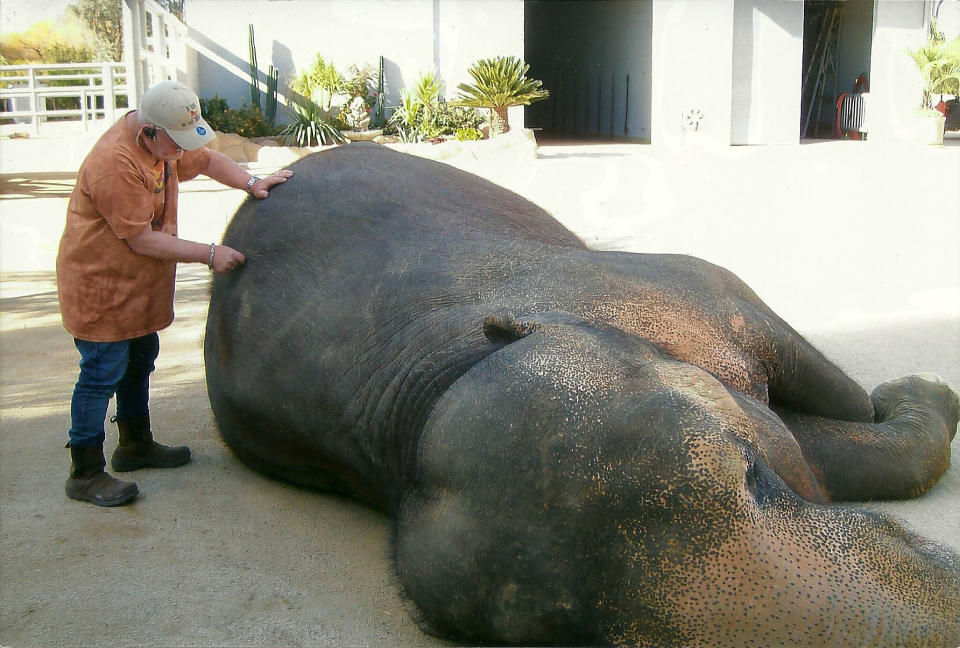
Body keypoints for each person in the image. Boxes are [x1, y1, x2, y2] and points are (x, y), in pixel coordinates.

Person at [56, 80, 294, 507]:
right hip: (102, 288)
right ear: (150, 132)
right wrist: (209, 253)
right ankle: (85, 471)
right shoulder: (115, 163)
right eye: (177, 143)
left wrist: (251, 182)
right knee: (100, 375)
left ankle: (134, 445)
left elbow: (206, 160)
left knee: (138, 361)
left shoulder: (162, 142)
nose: (183, 151)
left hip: (135, 286)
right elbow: (142, 241)